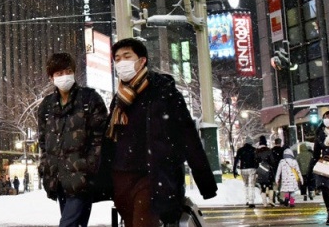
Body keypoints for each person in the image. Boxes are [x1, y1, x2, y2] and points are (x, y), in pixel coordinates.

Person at [105, 38, 217, 227]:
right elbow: (110, 140)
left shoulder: (164, 92)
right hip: (122, 178)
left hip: (153, 176)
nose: (121, 62)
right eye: (117, 58)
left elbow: (187, 135)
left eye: (127, 56)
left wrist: (204, 180)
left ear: (142, 61)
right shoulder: (119, 99)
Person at [37, 52, 108, 227]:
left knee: (68, 224)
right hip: (58, 179)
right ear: (51, 78)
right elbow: (43, 142)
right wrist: (45, 167)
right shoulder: (47, 105)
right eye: (59, 74)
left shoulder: (89, 99)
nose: (64, 77)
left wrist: (88, 166)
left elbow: (100, 138)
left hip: (82, 178)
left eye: (67, 71)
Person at [233, 137, 258, 208]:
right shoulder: (254, 150)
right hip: (252, 169)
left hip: (243, 169)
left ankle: (247, 200)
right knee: (251, 185)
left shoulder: (240, 150)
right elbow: (257, 160)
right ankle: (251, 201)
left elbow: (236, 160)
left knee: (246, 185)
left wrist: (234, 170)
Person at [255, 135, 275, 207]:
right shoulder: (269, 150)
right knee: (270, 186)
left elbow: (256, 162)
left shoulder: (257, 151)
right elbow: (272, 161)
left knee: (263, 187)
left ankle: (264, 203)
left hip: (260, 170)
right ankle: (271, 200)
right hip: (268, 170)